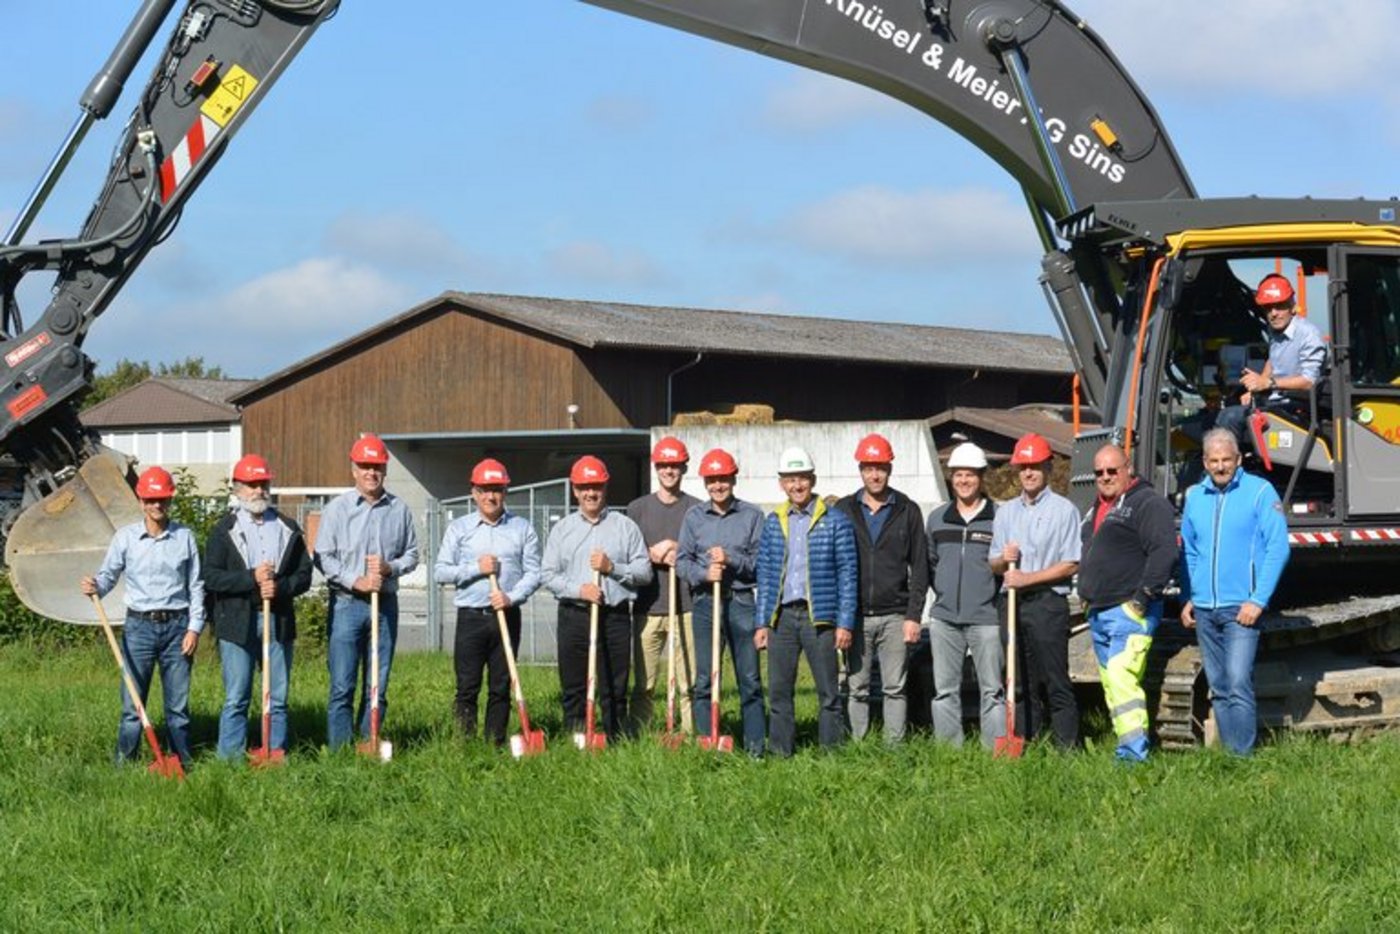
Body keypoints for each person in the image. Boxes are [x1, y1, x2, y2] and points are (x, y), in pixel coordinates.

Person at [80, 466, 204, 768]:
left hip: (178, 627)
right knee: (132, 706)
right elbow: (108, 576)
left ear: (170, 500)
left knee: (178, 707)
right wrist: (96, 586)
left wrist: (194, 628)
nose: (156, 505)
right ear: (141, 502)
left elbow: (196, 586)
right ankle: (125, 764)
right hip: (139, 628)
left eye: (162, 499)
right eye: (150, 500)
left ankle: (180, 762)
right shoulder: (125, 538)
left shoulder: (185, 537)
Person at [1180, 428, 1290, 755]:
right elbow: (1190, 551)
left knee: (1238, 682)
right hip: (1204, 608)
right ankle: (1229, 755)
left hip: (1241, 608)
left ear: (1238, 459)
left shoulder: (1259, 492)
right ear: (1204, 462)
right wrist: (1189, 596)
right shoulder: (1195, 497)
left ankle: (1242, 756)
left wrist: (1258, 600)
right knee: (1219, 685)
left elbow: (1278, 548)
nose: (1220, 466)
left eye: (1226, 459)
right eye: (1213, 460)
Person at [203, 454, 314, 761]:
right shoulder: (223, 530)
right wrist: (250, 578)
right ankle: (230, 759)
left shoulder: (288, 527)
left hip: (277, 621)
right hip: (236, 623)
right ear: (237, 488)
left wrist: (280, 588)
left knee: (277, 697)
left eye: (263, 483)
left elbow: (304, 575)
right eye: (251, 485)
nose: (258, 490)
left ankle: (274, 752)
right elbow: (211, 577)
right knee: (236, 697)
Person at [314, 433, 420, 751]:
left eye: (377, 467)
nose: (371, 473)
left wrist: (390, 568)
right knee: (342, 684)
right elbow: (323, 556)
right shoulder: (337, 509)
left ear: (385, 470)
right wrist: (354, 580)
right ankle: (340, 751)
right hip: (347, 605)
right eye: (365, 466)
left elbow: (412, 554)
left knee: (378, 683)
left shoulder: (399, 510)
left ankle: (368, 743)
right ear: (354, 469)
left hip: (384, 605)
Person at [754, 445, 858, 756]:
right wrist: (762, 622)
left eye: (802, 478)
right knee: (779, 692)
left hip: (819, 618)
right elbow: (766, 575)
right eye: (790, 479)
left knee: (828, 692)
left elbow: (848, 573)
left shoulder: (835, 521)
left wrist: (845, 622)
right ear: (781, 484)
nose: (797, 485)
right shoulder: (774, 521)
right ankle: (781, 753)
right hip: (783, 618)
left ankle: (830, 754)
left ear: (812, 480)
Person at [1077, 444, 1176, 762]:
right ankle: (1126, 744)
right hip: (1099, 611)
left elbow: (1164, 552)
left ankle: (1133, 756)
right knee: (1112, 685)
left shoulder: (1148, 503)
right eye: (1099, 472)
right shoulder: (1098, 506)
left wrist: (1142, 600)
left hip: (1128, 611)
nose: (1105, 477)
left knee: (1122, 679)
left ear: (1128, 468)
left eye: (1112, 470)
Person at [541, 455, 651, 739]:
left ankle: (615, 740)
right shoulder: (562, 529)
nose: (591, 493)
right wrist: (580, 590)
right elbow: (548, 575)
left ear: (605, 487)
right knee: (574, 686)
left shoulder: (625, 526)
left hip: (614, 616)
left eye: (596, 486)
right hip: (574, 615)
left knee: (614, 686)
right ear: (575, 490)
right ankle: (577, 740)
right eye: (584, 487)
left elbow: (644, 572)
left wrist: (612, 568)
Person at [433, 458, 541, 745]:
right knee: (467, 686)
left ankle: (495, 744)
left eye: (496, 489)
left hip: (507, 615)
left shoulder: (522, 528)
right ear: (474, 492)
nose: (490, 496)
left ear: (505, 491)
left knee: (501, 685)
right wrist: (476, 569)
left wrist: (511, 597)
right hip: (470, 617)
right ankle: (465, 745)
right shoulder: (459, 528)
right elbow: (441, 571)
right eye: (484, 490)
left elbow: (534, 573)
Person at [988, 432, 1082, 749]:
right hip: (1011, 604)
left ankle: (1066, 748)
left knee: (1055, 679)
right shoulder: (1005, 513)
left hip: (1047, 603)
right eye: (1024, 467)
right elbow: (994, 564)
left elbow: (1070, 564)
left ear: (1047, 468)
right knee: (1018, 679)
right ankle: (1026, 740)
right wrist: (1003, 560)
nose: (1028, 473)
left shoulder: (1064, 510)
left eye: (1035, 466)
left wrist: (1027, 579)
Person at [834, 433, 928, 744]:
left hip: (895, 615)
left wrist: (913, 615)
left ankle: (894, 748)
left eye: (881, 468)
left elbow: (920, 567)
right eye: (869, 468)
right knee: (857, 687)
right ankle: (858, 746)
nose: (875, 475)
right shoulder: (845, 510)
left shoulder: (907, 510)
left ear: (890, 469)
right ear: (860, 470)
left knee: (894, 687)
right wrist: (840, 616)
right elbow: (834, 565)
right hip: (856, 615)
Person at [676, 447, 767, 755]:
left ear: (733, 479)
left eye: (723, 478)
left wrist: (731, 560)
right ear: (705, 482)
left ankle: (755, 748)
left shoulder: (752, 516)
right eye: (712, 480)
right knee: (704, 679)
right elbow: (682, 562)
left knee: (750, 680)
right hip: (705, 604)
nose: (718, 485)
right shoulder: (694, 517)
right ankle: (707, 743)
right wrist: (704, 574)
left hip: (741, 603)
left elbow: (761, 564)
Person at [926, 441, 1004, 748]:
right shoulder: (937, 518)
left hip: (986, 618)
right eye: (958, 474)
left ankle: (995, 750)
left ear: (981, 477)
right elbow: (932, 563)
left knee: (992, 690)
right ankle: (949, 750)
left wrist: (988, 597)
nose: (964, 480)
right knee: (944, 690)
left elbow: (1004, 568)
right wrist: (945, 593)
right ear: (951, 477)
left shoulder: (999, 517)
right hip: (945, 618)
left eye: (970, 474)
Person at [626, 437, 701, 734]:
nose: (669, 471)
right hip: (648, 607)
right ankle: (638, 734)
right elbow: (627, 553)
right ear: (656, 468)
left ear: (684, 468)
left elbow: (703, 552)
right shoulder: (637, 509)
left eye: (675, 465)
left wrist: (677, 547)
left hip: (686, 606)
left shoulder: (696, 509)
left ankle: (689, 735)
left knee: (689, 682)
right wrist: (650, 553)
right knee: (644, 683)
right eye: (664, 465)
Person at [1215, 273, 1327, 445]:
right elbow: (1273, 360)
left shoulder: (1308, 335)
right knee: (1224, 410)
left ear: (1292, 306)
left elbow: (1309, 381)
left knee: (1230, 417)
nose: (1273, 313)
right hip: (1275, 401)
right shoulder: (1276, 331)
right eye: (1268, 308)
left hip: (1296, 407)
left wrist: (1268, 383)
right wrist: (1256, 387)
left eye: (1279, 306)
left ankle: (1230, 461)